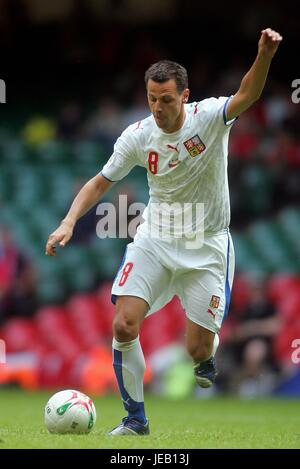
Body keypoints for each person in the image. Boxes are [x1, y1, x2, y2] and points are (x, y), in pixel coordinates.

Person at [45, 28, 282, 435]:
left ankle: (208, 353)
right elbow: (100, 182)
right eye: (152, 99)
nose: (158, 107)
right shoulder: (138, 136)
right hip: (155, 237)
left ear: (185, 96)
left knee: (197, 350)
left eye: (166, 99)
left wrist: (264, 56)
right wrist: (68, 221)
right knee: (123, 324)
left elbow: (248, 95)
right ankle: (135, 419)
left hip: (206, 245)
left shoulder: (208, 117)